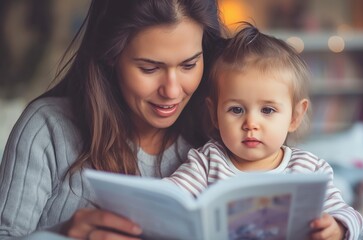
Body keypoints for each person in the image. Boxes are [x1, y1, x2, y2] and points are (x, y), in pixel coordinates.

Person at [0, 0, 224, 239]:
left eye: (189, 65)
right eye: (149, 68)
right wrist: (61, 235)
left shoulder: (220, 138)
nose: (171, 91)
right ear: (111, 56)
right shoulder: (47, 128)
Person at [164, 23, 363, 240]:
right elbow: (167, 198)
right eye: (236, 109)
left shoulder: (309, 169)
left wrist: (337, 228)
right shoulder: (207, 162)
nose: (251, 123)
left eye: (267, 110)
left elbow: (348, 214)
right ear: (215, 114)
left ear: (295, 116)